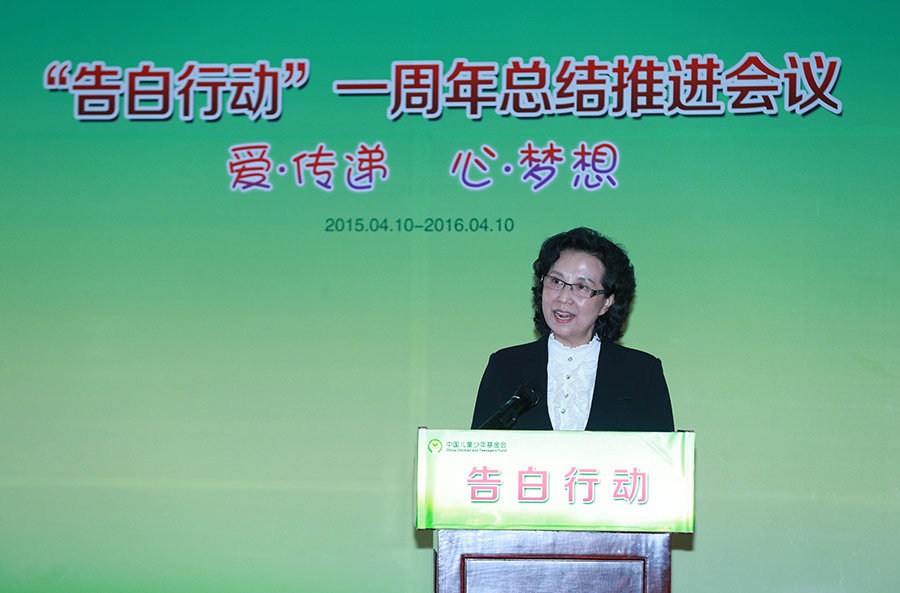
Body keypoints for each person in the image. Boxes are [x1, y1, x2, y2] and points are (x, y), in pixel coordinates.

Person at [471, 227, 674, 432]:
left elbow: (662, 450)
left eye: (582, 287)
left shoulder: (642, 372)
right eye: (556, 281)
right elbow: (479, 446)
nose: (564, 298)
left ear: (607, 302)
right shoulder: (504, 366)